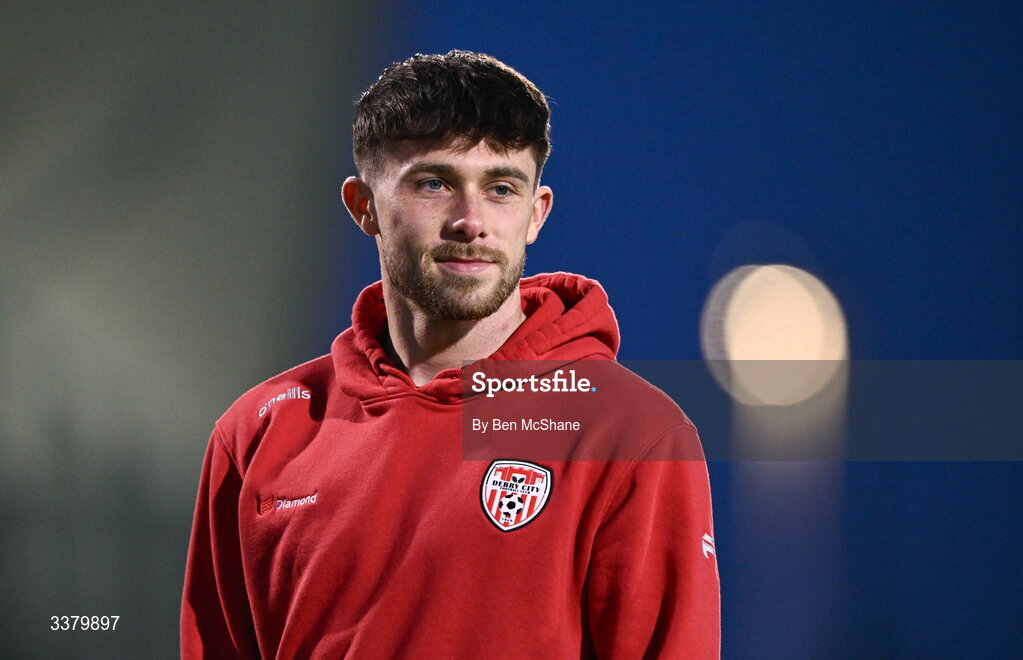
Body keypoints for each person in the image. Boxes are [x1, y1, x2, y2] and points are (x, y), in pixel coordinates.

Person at [181, 50, 720, 658]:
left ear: (536, 214)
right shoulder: (260, 431)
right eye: (434, 183)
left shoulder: (629, 434)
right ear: (364, 207)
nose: (471, 221)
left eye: (500, 188)